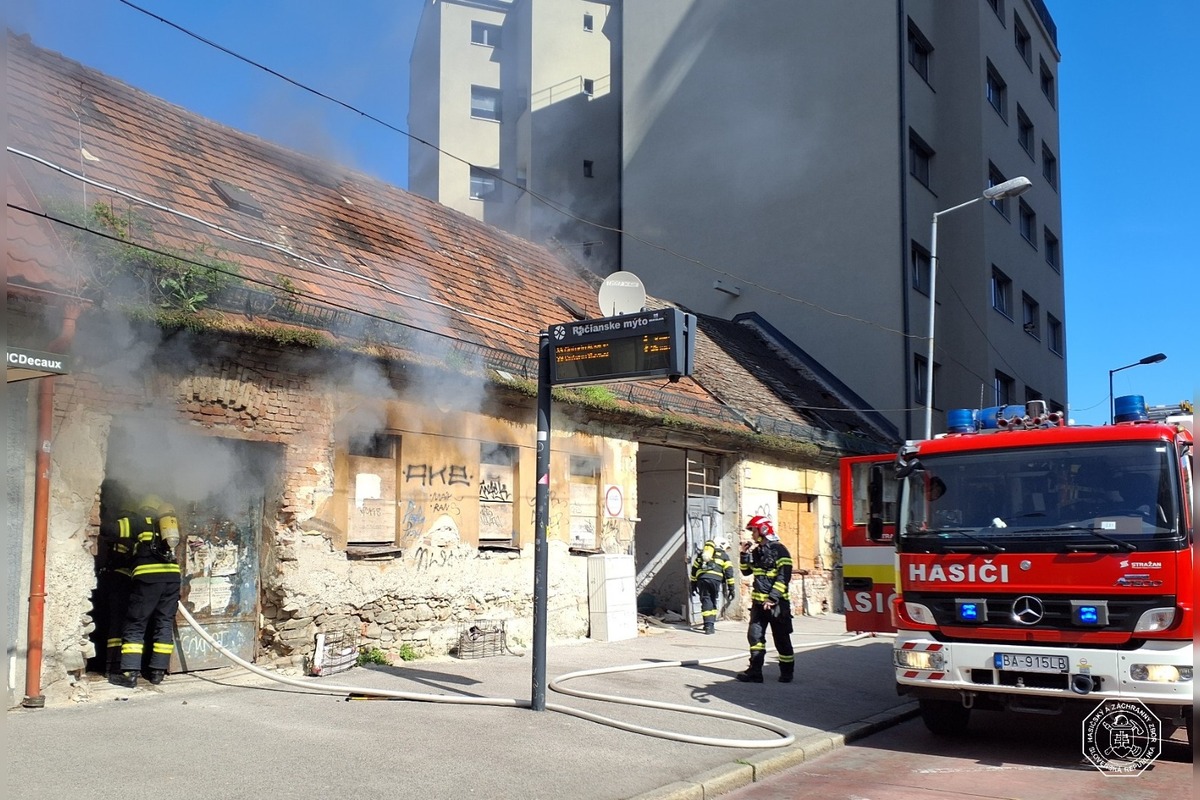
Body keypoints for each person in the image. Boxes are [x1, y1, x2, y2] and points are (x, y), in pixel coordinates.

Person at [109, 495, 182, 689]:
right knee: (164, 622)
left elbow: (111, 530)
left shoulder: (136, 522)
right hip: (172, 577)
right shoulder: (167, 527)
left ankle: (129, 673)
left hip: (148, 579)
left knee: (136, 623)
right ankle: (157, 672)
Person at [735, 515, 795, 683]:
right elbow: (747, 572)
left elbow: (784, 577)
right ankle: (755, 672)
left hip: (777, 605)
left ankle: (786, 673)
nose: (751, 534)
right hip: (759, 604)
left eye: (753, 530)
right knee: (755, 638)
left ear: (763, 530)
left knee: (781, 639)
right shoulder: (756, 551)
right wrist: (744, 555)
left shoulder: (780, 550)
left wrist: (772, 598)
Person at [96, 481, 135, 677]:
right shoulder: (125, 531)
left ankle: (110, 663)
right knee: (118, 623)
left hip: (111, 580)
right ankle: (113, 665)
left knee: (113, 622)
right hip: (120, 582)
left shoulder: (114, 532)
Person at [689, 536, 736, 634]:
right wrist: (731, 588)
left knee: (706, 599)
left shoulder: (702, 554)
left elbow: (694, 568)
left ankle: (709, 625)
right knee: (712, 599)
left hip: (702, 579)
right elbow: (729, 572)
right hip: (715, 580)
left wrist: (693, 584)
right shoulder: (723, 556)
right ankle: (710, 626)